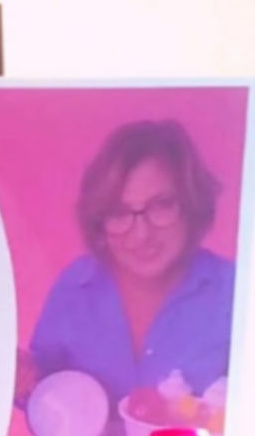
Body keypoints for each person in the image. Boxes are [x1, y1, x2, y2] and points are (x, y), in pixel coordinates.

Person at [18, 119, 235, 413]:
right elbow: (45, 404)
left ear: (191, 202)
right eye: (119, 212)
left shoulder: (236, 293)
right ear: (99, 220)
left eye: (161, 205)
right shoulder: (75, 287)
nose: (142, 234)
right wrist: (23, 380)